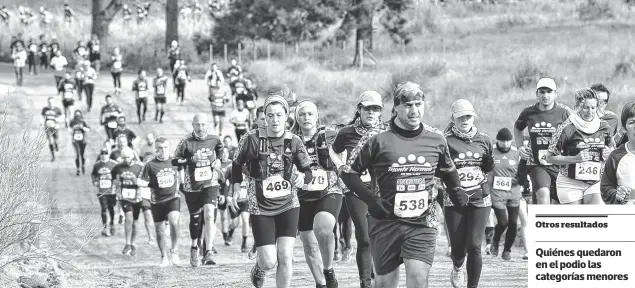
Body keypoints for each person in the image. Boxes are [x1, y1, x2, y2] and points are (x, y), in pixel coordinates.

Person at [339, 82, 469, 288]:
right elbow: (349, 173)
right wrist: (369, 200)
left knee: (418, 279)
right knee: (385, 284)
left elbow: (448, 169)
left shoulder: (436, 138)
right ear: (396, 108)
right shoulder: (375, 137)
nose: (414, 110)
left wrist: (456, 189)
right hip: (384, 222)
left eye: (418, 104)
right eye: (408, 105)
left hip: (422, 222)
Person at [226, 94, 312, 288]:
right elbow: (236, 163)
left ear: (287, 116)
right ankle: (259, 267)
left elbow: (308, 171)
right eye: (270, 115)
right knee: (269, 261)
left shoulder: (294, 140)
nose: (275, 120)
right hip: (260, 206)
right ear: (264, 116)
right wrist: (236, 187)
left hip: (289, 204)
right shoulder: (252, 139)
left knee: (286, 255)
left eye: (279, 115)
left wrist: (302, 177)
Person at [329, 91, 386, 288]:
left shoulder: (388, 132)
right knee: (364, 237)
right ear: (359, 109)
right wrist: (340, 168)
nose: (371, 112)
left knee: (379, 236)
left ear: (380, 112)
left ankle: (376, 272)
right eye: (367, 108)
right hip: (356, 191)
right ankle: (366, 283)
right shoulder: (346, 132)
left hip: (382, 192)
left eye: (376, 108)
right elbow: (333, 151)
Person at [441, 99, 495, 288]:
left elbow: (490, 168)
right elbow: (440, 170)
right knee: (458, 248)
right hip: (454, 199)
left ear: (474, 117)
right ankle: (457, 267)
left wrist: (488, 174)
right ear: (453, 118)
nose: (465, 120)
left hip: (480, 198)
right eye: (461, 117)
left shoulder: (485, 139)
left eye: (468, 116)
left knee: (474, 245)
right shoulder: (445, 141)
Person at [291, 100, 341, 288]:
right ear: (297, 118)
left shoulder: (329, 135)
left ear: (317, 116)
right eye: (302, 114)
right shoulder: (290, 140)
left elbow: (349, 145)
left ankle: (328, 270)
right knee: (309, 243)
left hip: (329, 190)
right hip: (302, 195)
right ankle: (321, 283)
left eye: (310, 114)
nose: (306, 118)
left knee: (323, 228)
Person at [172, 114, 224, 267]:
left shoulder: (214, 139)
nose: (200, 128)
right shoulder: (185, 142)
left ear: (207, 124)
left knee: (209, 214)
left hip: (210, 183)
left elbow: (220, 148)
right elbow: (175, 160)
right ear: (192, 125)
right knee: (195, 220)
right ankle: (195, 246)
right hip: (192, 186)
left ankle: (208, 251)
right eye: (197, 125)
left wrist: (219, 160)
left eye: (203, 124)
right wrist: (190, 160)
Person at [546, 88, 614, 205]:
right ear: (578, 107)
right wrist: (575, 159)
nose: (590, 111)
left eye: (593, 108)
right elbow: (550, 158)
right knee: (576, 221)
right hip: (570, 183)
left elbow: (612, 149)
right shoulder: (567, 127)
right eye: (586, 107)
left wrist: (609, 152)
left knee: (595, 218)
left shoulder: (604, 127)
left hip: (595, 181)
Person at [514, 78, 572, 205]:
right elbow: (518, 128)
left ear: (555, 94)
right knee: (543, 195)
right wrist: (519, 147)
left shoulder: (564, 112)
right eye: (542, 92)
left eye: (549, 92)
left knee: (559, 201)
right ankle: (543, 222)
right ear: (537, 94)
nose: (545, 95)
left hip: (559, 163)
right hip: (536, 162)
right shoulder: (528, 112)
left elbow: (575, 133)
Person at [138, 137, 182, 266]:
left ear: (169, 148)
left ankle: (174, 250)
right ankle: (164, 256)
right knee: (160, 229)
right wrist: (153, 183)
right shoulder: (150, 165)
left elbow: (182, 171)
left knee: (174, 221)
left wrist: (183, 184)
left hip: (173, 197)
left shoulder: (175, 161)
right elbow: (140, 181)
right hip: (157, 200)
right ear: (156, 150)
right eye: (160, 148)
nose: (163, 150)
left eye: (166, 147)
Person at [487, 128, 521, 261]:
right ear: (497, 141)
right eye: (502, 141)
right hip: (497, 193)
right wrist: (486, 191)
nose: (505, 144)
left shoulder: (517, 153)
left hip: (514, 192)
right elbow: (487, 172)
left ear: (511, 141)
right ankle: (495, 241)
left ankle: (507, 250)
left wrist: (521, 179)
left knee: (513, 223)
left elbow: (523, 170)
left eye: (508, 141)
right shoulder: (491, 152)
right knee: (503, 222)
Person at [111, 147, 145, 257]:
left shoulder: (139, 166)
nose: (126, 160)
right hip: (124, 197)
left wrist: (138, 181)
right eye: (124, 158)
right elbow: (112, 178)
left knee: (135, 221)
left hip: (137, 197)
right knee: (128, 217)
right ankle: (127, 243)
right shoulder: (117, 167)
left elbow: (146, 180)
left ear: (132, 156)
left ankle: (133, 244)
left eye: (128, 157)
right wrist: (117, 183)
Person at [601, 102, 635, 205]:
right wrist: (616, 195)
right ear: (624, 128)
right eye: (632, 122)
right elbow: (605, 188)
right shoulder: (615, 157)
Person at [92, 148, 119, 236]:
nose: (104, 155)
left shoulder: (113, 164)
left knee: (111, 208)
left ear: (108, 154)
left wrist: (116, 181)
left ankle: (112, 224)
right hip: (101, 191)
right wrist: (94, 181)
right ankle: (105, 228)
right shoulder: (97, 165)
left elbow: (118, 174)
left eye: (106, 153)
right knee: (103, 208)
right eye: (102, 153)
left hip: (111, 191)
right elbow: (93, 174)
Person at [69, 110, 91, 176]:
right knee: (77, 154)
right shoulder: (72, 122)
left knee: (82, 154)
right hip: (75, 140)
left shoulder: (83, 121)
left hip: (83, 140)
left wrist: (82, 128)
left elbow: (88, 129)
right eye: (76, 115)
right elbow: (69, 130)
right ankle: (78, 169)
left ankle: (83, 166)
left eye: (78, 115)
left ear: (81, 115)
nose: (77, 116)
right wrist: (73, 129)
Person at [41, 97, 63, 161]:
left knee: (56, 140)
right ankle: (53, 156)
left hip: (55, 127)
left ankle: (56, 144)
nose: (51, 103)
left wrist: (58, 120)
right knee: (50, 142)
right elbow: (42, 116)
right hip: (47, 128)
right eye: (49, 102)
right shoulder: (45, 109)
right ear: (48, 102)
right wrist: (42, 122)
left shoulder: (57, 109)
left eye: (52, 102)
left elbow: (62, 117)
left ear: (54, 102)